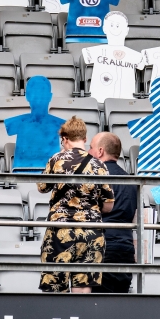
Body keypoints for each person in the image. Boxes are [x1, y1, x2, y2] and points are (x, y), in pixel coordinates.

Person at [37, 117, 115, 293]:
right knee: (83, 288)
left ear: (64, 139)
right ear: (85, 139)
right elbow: (109, 205)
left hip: (60, 230)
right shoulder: (99, 164)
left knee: (56, 288)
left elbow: (42, 187)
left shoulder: (56, 159)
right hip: (91, 231)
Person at [89, 132, 138, 293]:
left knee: (96, 307)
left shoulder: (95, 178)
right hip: (125, 249)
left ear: (100, 151)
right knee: (119, 307)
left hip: (100, 248)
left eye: (91, 148)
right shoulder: (132, 181)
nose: (88, 152)